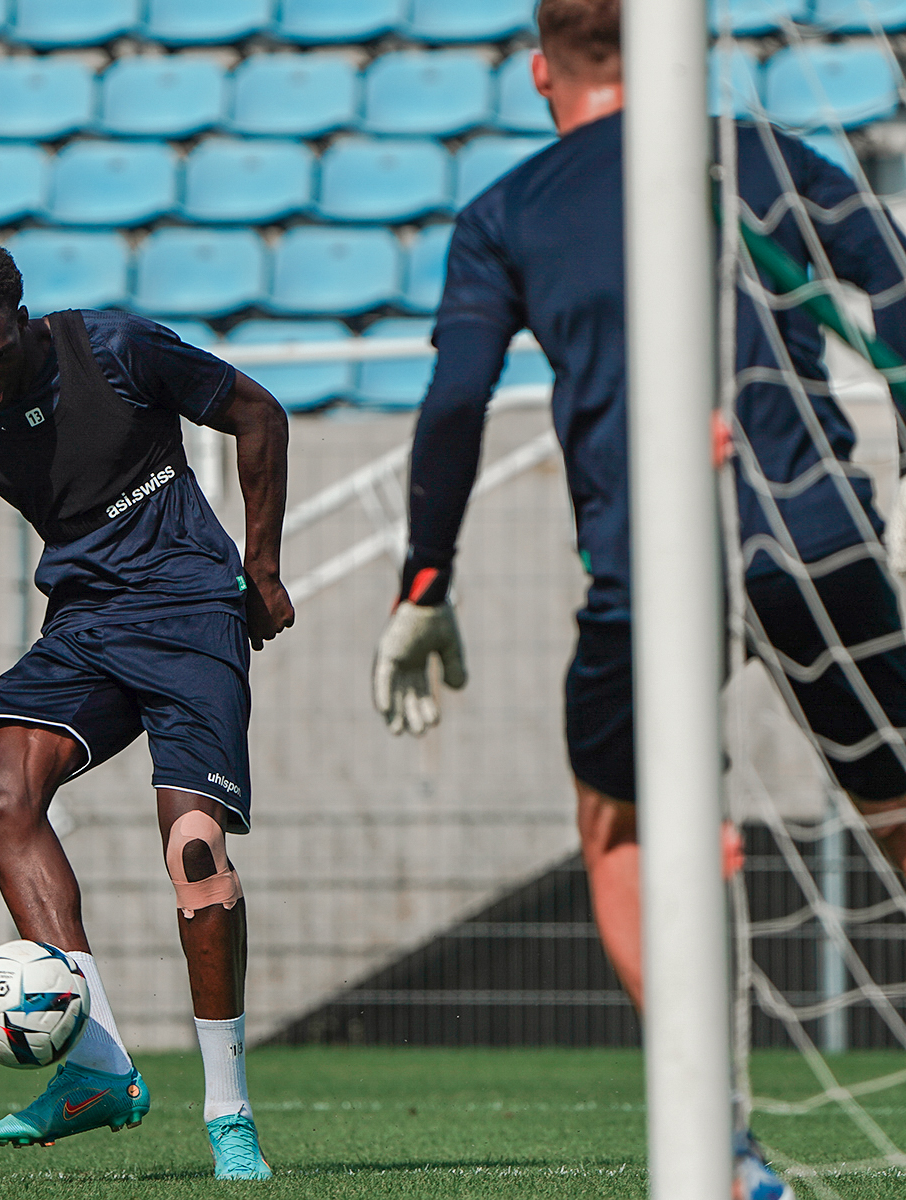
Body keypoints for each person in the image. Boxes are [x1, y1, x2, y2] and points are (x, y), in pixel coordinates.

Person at [370, 2, 906, 1197]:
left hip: (651, 562)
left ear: (537, 71)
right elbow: (891, 269)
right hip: (817, 535)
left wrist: (425, 578)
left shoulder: (505, 211)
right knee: (892, 797)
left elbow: (453, 406)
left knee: (614, 826)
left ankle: (714, 1145)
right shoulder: (756, 151)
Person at [0, 240, 293, 1180]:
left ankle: (229, 1115)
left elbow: (257, 412)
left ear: (23, 319)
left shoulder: (116, 350)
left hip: (193, 605)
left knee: (194, 855)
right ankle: (97, 1069)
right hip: (86, 622)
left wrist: (262, 568)